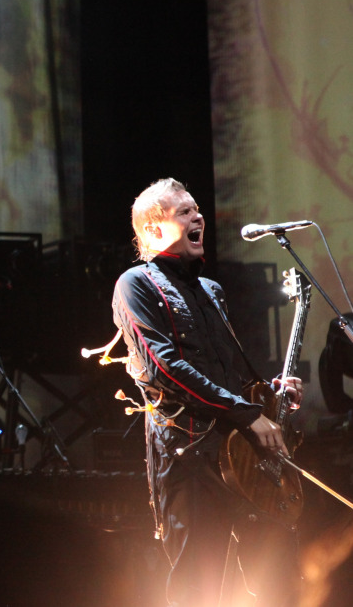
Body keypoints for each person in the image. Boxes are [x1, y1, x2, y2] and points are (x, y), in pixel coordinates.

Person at [111, 178, 304, 607]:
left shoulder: (210, 290)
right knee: (200, 583)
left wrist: (268, 392)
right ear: (153, 230)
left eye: (196, 209)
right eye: (184, 212)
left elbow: (228, 374)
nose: (198, 217)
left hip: (240, 453)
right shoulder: (135, 284)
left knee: (276, 576)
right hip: (188, 454)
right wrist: (246, 412)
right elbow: (164, 368)